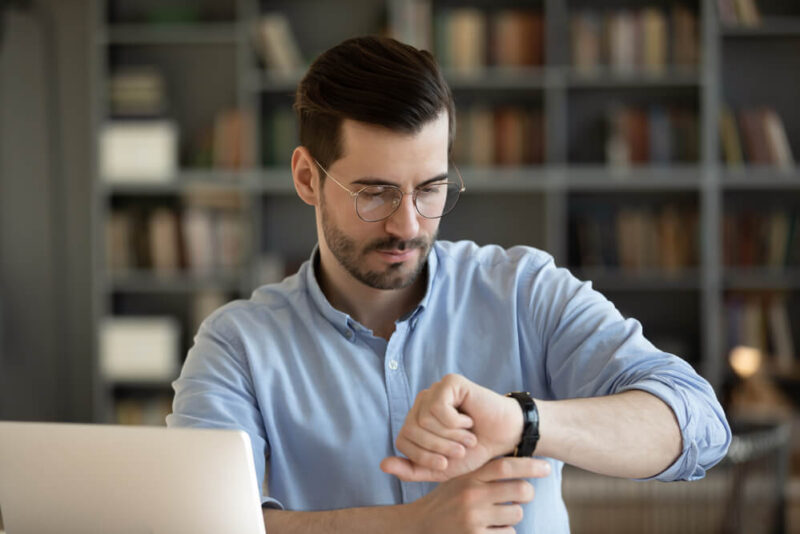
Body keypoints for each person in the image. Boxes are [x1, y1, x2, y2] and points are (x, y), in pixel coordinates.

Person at [167, 36, 731, 533]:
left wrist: (523, 421)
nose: (408, 224)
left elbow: (699, 425)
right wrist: (407, 528)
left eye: (431, 188)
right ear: (307, 178)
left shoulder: (524, 291)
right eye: (375, 192)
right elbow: (196, 523)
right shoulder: (236, 346)